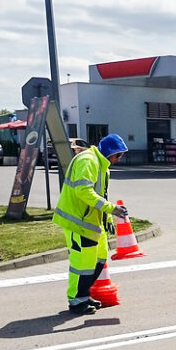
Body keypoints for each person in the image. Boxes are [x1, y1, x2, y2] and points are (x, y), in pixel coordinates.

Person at [53, 133, 130, 315]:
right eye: (119, 155)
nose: (119, 159)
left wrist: (108, 218)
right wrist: (111, 209)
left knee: (99, 259)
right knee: (82, 265)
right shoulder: (88, 161)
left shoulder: (102, 166)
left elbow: (100, 195)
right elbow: (83, 191)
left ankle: (84, 295)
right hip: (78, 223)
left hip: (92, 224)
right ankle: (76, 300)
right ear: (111, 153)